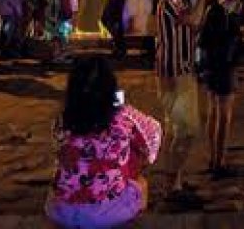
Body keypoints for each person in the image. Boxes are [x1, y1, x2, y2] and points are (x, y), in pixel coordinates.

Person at [46, 55, 163, 228]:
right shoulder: (123, 117)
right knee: (141, 182)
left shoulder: (62, 120)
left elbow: (59, 152)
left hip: (64, 212)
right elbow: (154, 133)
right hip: (110, 213)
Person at [155, 0, 202, 201]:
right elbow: (192, 21)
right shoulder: (171, 1)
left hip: (180, 69)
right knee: (186, 130)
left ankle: (176, 183)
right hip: (175, 72)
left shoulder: (178, 0)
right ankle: (171, 183)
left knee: (177, 129)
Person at [198, 0, 241, 178]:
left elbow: (203, 41)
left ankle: (213, 157)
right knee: (223, 114)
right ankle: (219, 160)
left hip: (212, 66)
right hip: (224, 65)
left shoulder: (210, 11)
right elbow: (227, 39)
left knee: (214, 111)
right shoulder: (221, 12)